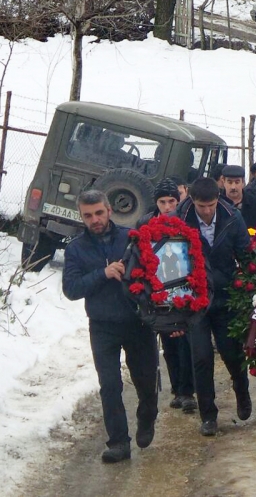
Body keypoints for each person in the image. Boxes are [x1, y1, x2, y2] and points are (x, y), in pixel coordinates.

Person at [62, 190, 158, 463]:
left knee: (145, 381)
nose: (95, 219)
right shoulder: (76, 248)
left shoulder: (131, 238)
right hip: (102, 325)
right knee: (109, 385)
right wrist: (102, 274)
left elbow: (154, 273)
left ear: (109, 210)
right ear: (82, 216)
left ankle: (147, 416)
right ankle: (118, 442)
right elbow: (71, 288)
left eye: (99, 213)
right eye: (88, 215)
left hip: (137, 321)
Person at [175, 178, 252, 436]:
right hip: (195, 299)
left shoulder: (233, 217)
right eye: (201, 205)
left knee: (231, 353)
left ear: (217, 200)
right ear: (192, 201)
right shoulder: (181, 218)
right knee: (201, 357)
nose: (206, 210)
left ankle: (242, 390)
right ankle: (208, 414)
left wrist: (247, 288)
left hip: (225, 296)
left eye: (210, 205)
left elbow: (245, 255)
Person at [135, 179, 197, 413]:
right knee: (169, 341)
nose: (168, 206)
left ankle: (188, 390)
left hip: (183, 288)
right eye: (163, 201)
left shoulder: (186, 222)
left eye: (172, 201)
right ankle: (176, 388)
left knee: (185, 340)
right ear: (156, 203)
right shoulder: (146, 223)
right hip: (159, 290)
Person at [220, 165, 256, 230]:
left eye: (237, 182)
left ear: (243, 182)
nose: (233, 187)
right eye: (230, 182)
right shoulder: (217, 205)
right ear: (223, 181)